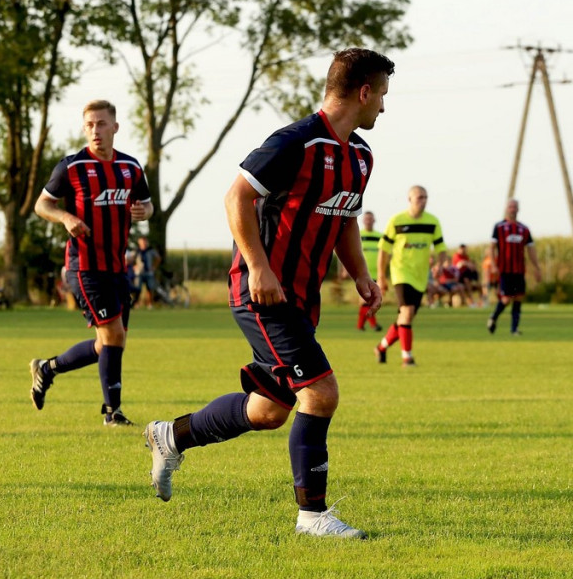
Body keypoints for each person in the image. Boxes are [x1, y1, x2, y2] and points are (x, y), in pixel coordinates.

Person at [143, 48, 393, 540]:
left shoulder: (360, 156)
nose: (383, 107)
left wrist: (361, 274)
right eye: (381, 95)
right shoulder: (295, 142)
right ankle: (313, 517)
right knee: (320, 393)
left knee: (267, 410)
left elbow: (343, 218)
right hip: (264, 294)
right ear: (363, 92)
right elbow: (237, 195)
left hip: (303, 298)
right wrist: (258, 266)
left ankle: (170, 435)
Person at [28, 99, 153, 426]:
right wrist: (66, 217)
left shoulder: (131, 167)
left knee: (108, 342)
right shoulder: (71, 167)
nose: (95, 130)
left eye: (101, 123)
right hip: (84, 265)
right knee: (113, 337)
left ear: (115, 127)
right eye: (89, 125)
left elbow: (148, 205)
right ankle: (113, 412)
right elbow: (43, 205)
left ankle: (47, 368)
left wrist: (144, 211)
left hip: (117, 267)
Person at [374, 185, 447, 366]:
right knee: (407, 313)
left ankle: (381, 347)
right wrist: (382, 277)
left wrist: (440, 264)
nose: (423, 201)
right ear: (410, 199)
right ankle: (407, 357)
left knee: (405, 318)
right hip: (401, 273)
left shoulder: (432, 222)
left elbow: (441, 248)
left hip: (421, 276)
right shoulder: (397, 221)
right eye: (419, 197)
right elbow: (383, 250)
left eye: (425, 197)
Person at [487, 199, 541, 335]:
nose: (512, 209)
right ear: (506, 209)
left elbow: (531, 250)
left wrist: (537, 268)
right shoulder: (499, 227)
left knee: (518, 298)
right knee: (505, 299)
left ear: (518, 209)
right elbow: (492, 248)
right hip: (505, 270)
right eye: (510, 206)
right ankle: (493, 317)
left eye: (515, 207)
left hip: (519, 270)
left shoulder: (524, 229)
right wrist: (493, 265)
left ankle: (514, 329)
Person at [351, 211, 383, 331]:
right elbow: (351, 252)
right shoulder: (357, 235)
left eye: (371, 219)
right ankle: (374, 325)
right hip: (361, 273)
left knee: (367, 301)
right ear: (363, 221)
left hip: (376, 273)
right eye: (367, 219)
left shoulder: (380, 236)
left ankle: (360, 326)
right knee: (366, 300)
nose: (369, 221)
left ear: (374, 220)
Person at [134, 236, 161, 309]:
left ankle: (149, 304)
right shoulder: (137, 250)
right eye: (141, 242)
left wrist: (154, 267)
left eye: (144, 241)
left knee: (149, 288)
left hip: (149, 272)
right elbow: (132, 259)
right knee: (137, 289)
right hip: (139, 272)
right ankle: (136, 303)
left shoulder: (150, 250)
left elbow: (158, 258)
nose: (143, 243)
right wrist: (134, 266)